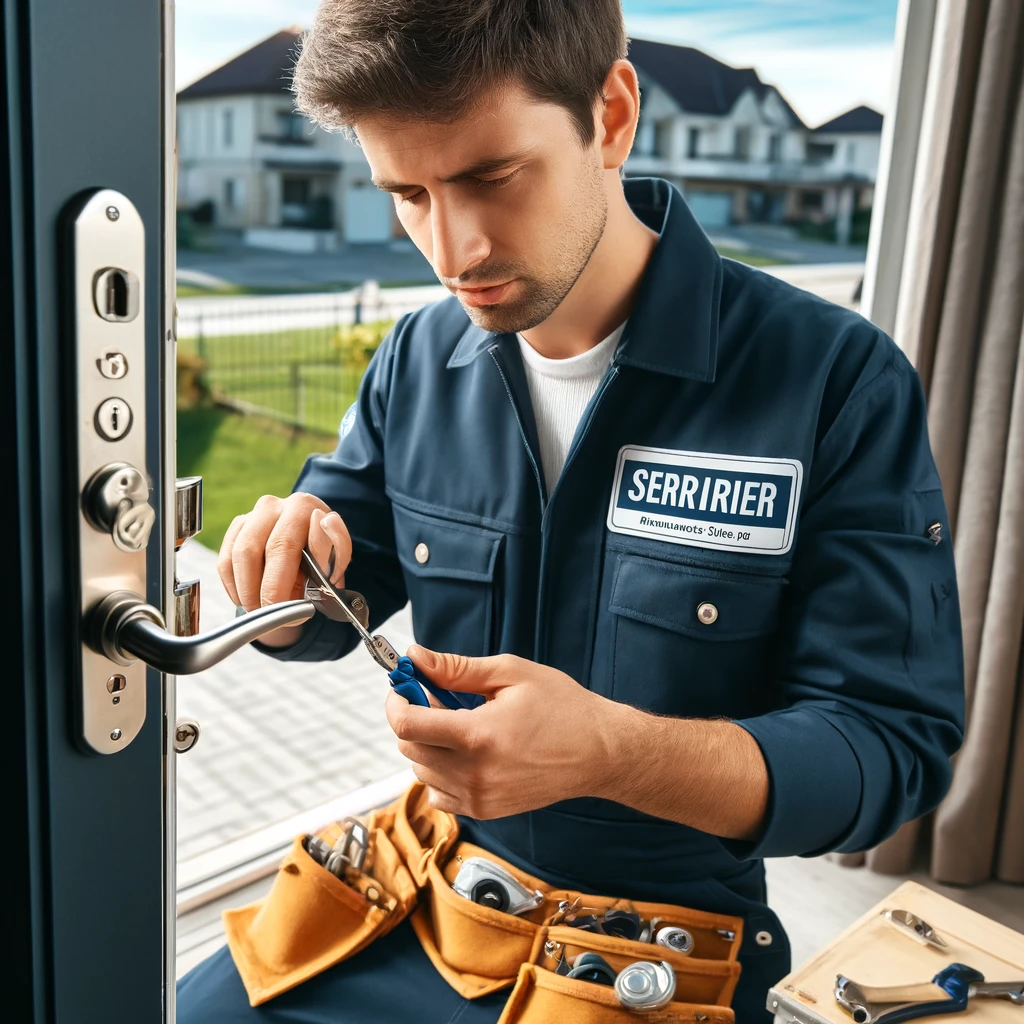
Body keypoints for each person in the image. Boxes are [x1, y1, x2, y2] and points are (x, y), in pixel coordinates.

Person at [177, 1, 965, 1020]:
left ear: (612, 113)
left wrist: (612, 753)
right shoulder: (415, 360)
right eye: (407, 194)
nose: (450, 248)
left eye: (489, 178)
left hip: (659, 950)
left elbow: (889, 750)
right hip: (425, 893)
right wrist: (284, 577)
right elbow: (341, 571)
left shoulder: (832, 380)